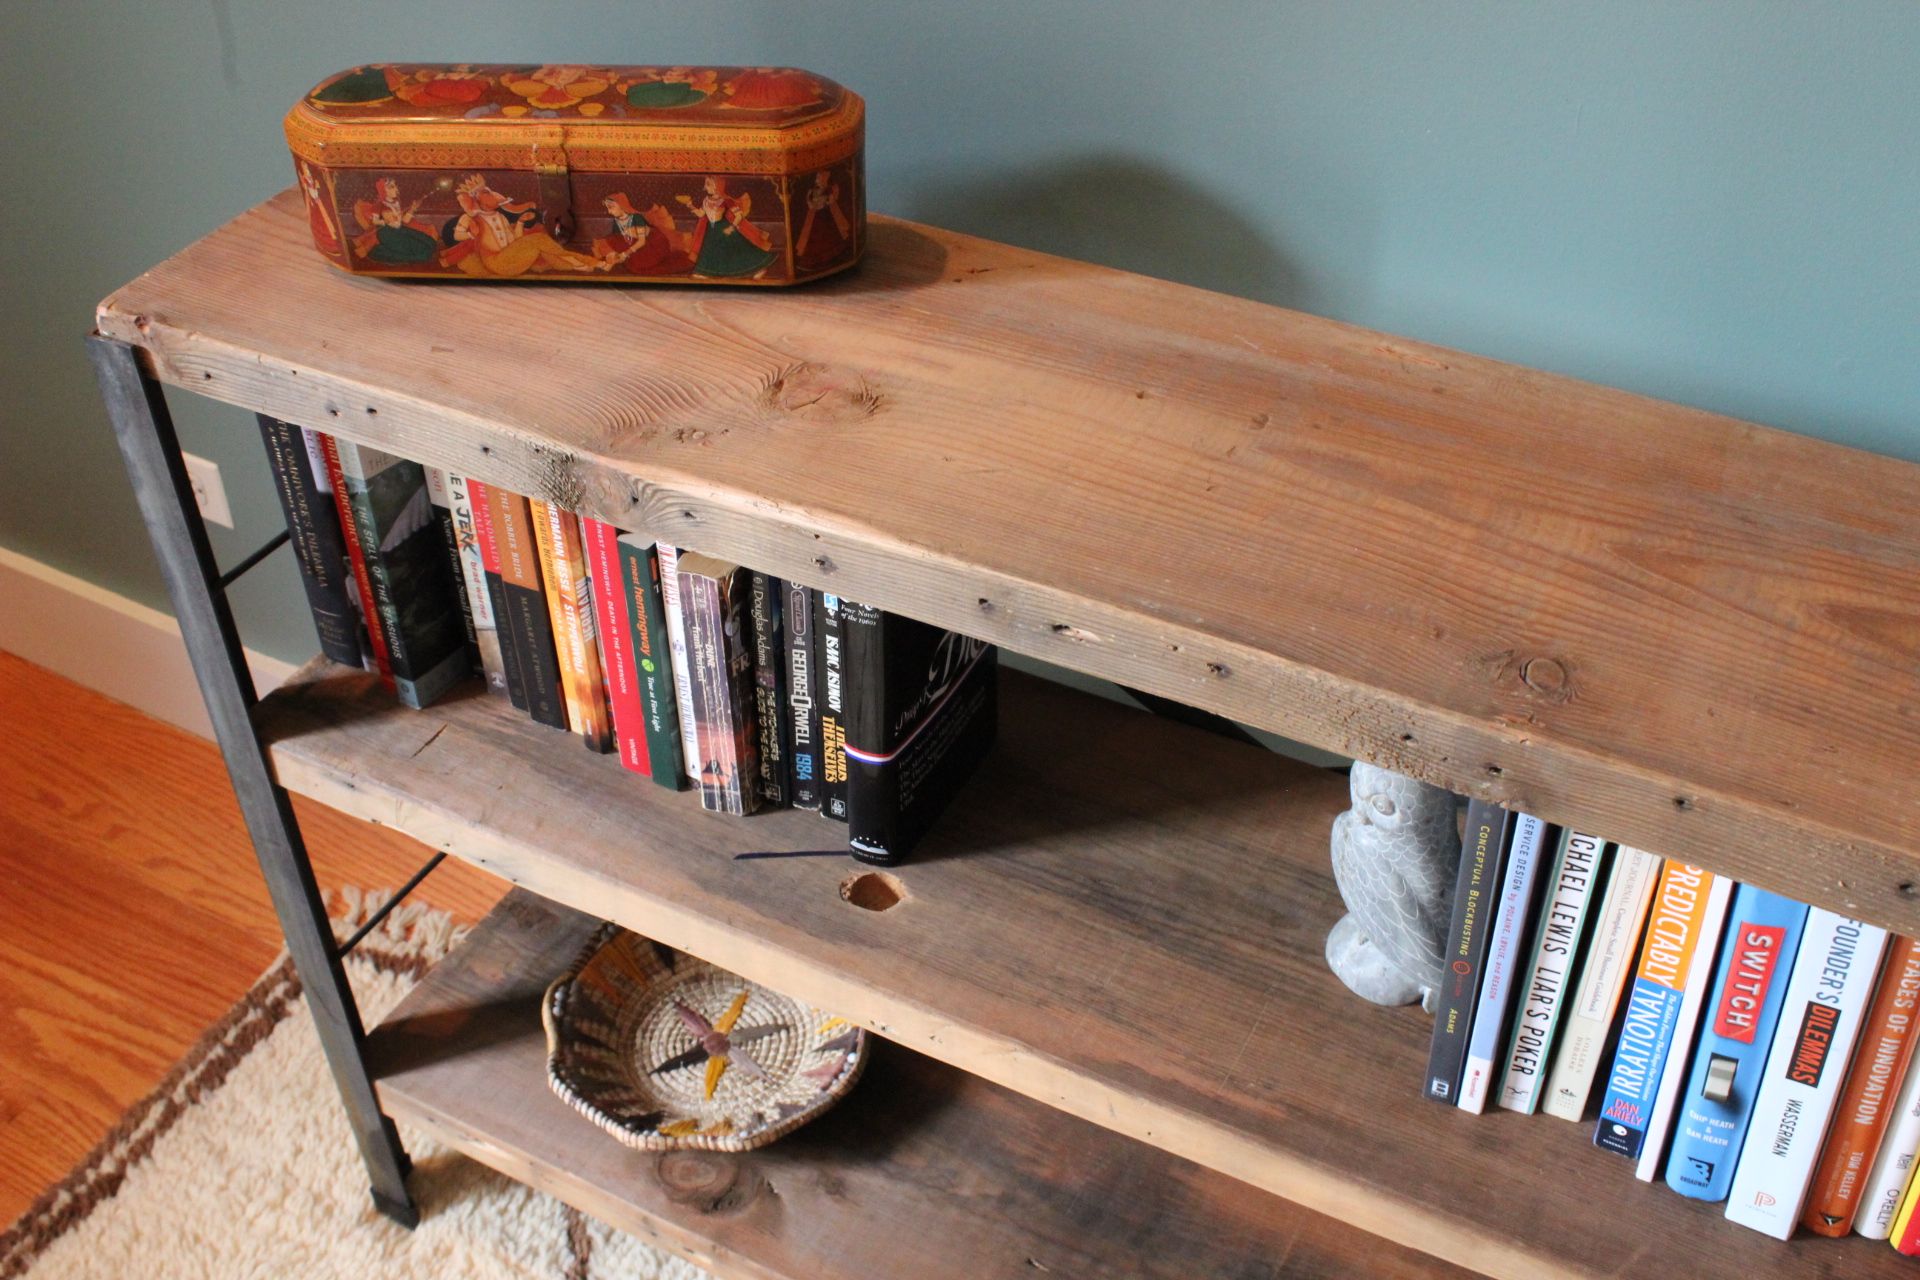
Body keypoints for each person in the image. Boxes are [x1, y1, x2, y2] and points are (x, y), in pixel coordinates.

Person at [439, 174, 603, 277]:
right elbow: (457, 235)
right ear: (476, 199)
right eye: (486, 192)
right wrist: (472, 235)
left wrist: (521, 222)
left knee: (542, 246)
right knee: (538, 239)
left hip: (512, 259)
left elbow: (515, 241)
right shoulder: (471, 218)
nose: (492, 195)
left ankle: (586, 264)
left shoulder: (500, 217)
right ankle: (580, 264)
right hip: (497, 263)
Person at [679, 177, 777, 279]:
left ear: (716, 186)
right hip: (711, 230)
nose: (705, 187)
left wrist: (731, 228)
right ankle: (705, 272)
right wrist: (690, 206)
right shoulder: (706, 200)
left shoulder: (726, 201)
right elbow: (702, 214)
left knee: (739, 249)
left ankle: (758, 269)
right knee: (708, 250)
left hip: (724, 227)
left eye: (708, 184)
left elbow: (739, 216)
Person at [591, 194, 695, 275]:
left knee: (637, 266)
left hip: (654, 245)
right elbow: (617, 241)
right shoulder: (617, 221)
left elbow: (642, 241)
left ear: (621, 205)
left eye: (611, 207)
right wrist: (613, 254)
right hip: (635, 245)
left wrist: (624, 254)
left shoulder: (636, 218)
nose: (609, 211)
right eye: (608, 208)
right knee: (613, 239)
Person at [351, 178, 438, 265]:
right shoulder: (380, 205)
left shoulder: (396, 202)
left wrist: (412, 209)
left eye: (395, 186)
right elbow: (375, 222)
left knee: (430, 243)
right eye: (391, 187)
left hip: (400, 230)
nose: (396, 189)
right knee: (423, 254)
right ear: (383, 191)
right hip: (387, 233)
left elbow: (404, 221)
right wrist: (385, 221)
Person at [794, 169, 851, 272]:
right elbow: (809, 201)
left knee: (827, 236)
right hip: (813, 216)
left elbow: (831, 201)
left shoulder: (829, 190)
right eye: (817, 178)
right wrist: (813, 204)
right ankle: (815, 260)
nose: (817, 180)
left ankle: (830, 257)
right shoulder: (813, 191)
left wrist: (826, 202)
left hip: (826, 215)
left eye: (819, 178)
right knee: (812, 238)